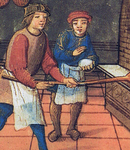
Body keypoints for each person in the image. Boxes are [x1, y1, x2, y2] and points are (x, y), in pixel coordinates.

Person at [0, 3, 77, 150]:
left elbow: (48, 64)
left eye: (44, 17)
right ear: (29, 19)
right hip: (11, 81)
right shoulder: (21, 37)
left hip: (26, 81)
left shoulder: (43, 37)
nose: (42, 20)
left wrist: (63, 79)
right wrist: (35, 84)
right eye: (37, 17)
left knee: (35, 118)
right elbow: (18, 68)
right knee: (3, 113)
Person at [46, 10, 99, 141]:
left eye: (83, 23)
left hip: (77, 73)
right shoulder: (65, 35)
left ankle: (71, 128)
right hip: (61, 71)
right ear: (71, 25)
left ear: (88, 24)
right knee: (55, 101)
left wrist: (91, 62)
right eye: (76, 23)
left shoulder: (87, 37)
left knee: (77, 101)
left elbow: (92, 54)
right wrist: (72, 54)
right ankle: (56, 130)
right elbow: (57, 53)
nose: (79, 26)